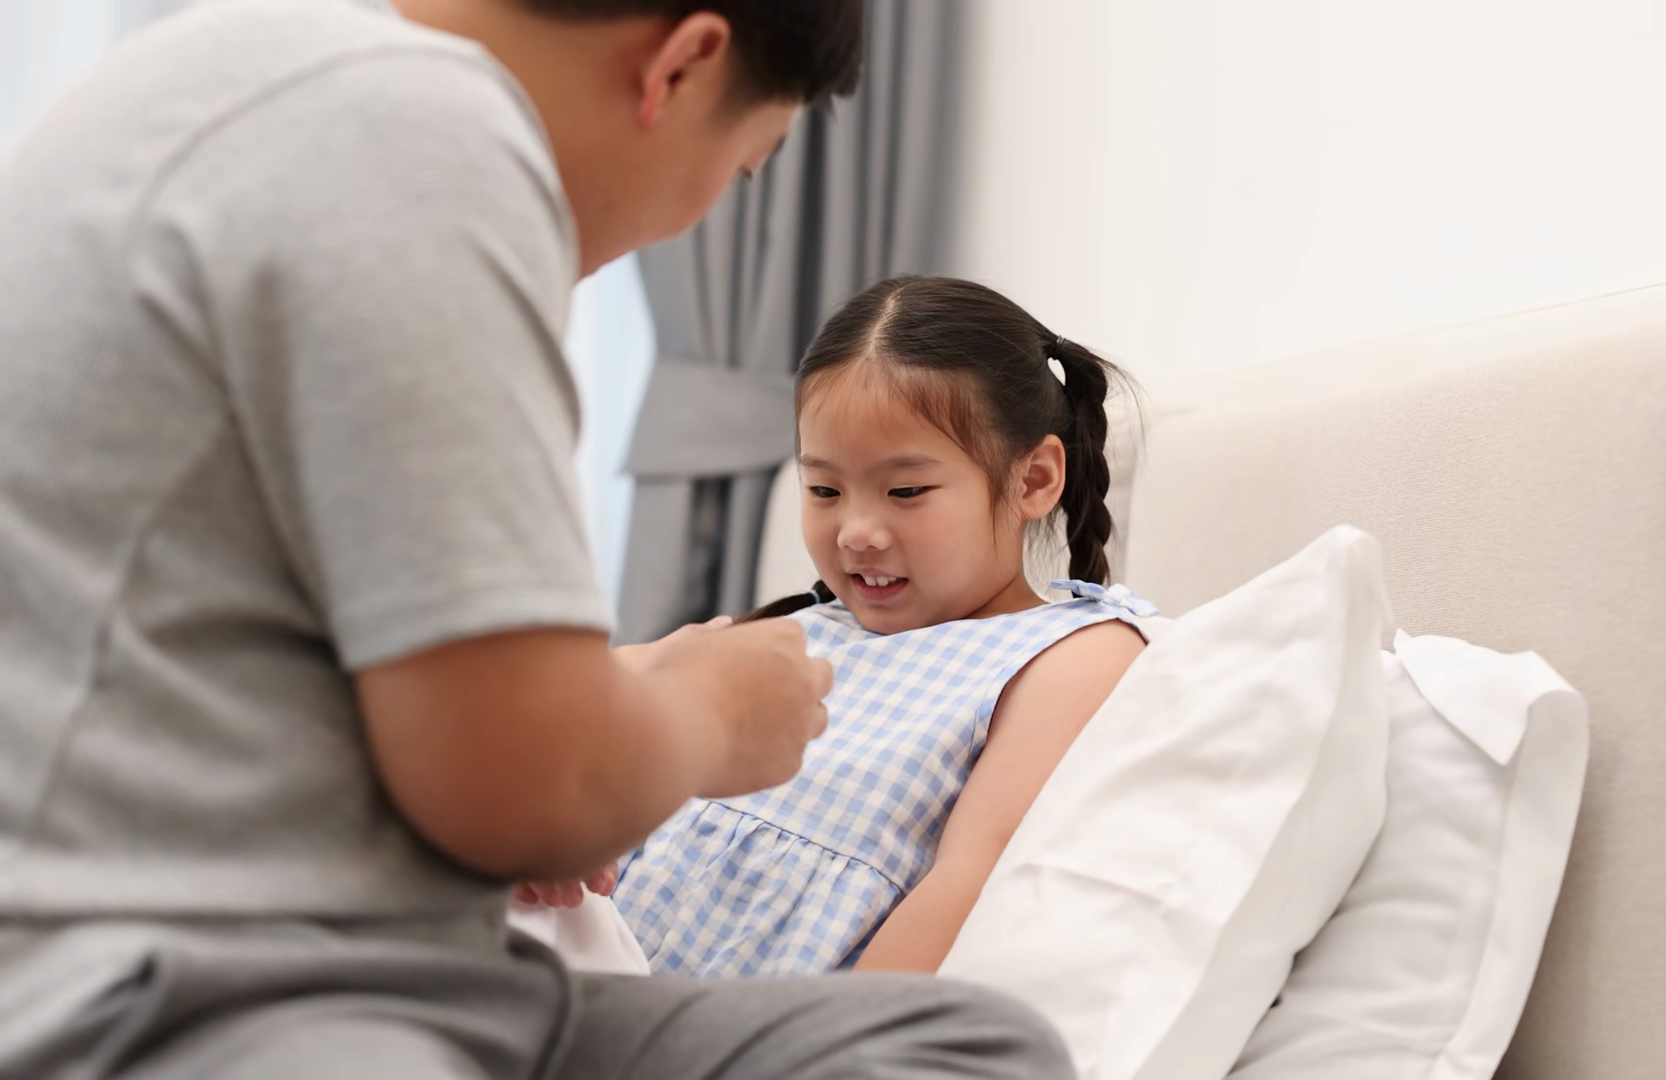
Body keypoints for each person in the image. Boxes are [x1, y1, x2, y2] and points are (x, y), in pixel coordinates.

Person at [0, 0, 1071, 1077]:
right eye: (741, 168)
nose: (692, 218)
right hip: (180, 993)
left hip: (389, 962)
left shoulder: (243, 68)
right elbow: (521, 788)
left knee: (973, 1041)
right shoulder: (415, 142)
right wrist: (709, 714)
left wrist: (584, 753)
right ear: (682, 66)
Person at [604, 275, 1154, 975]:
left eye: (905, 491)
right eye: (824, 489)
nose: (855, 532)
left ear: (1035, 480)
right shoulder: (794, 631)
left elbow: (968, 888)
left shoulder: (1069, 652)